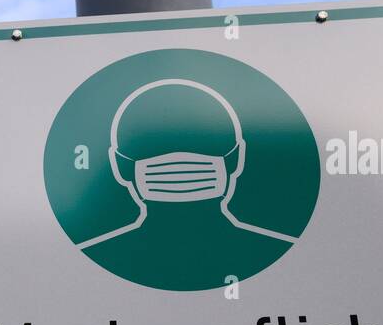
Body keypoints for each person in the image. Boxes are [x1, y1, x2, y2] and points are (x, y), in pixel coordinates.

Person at [80, 79, 297, 290]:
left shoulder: (91, 267)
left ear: (120, 166)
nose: (178, 162)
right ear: (236, 158)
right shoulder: (283, 256)